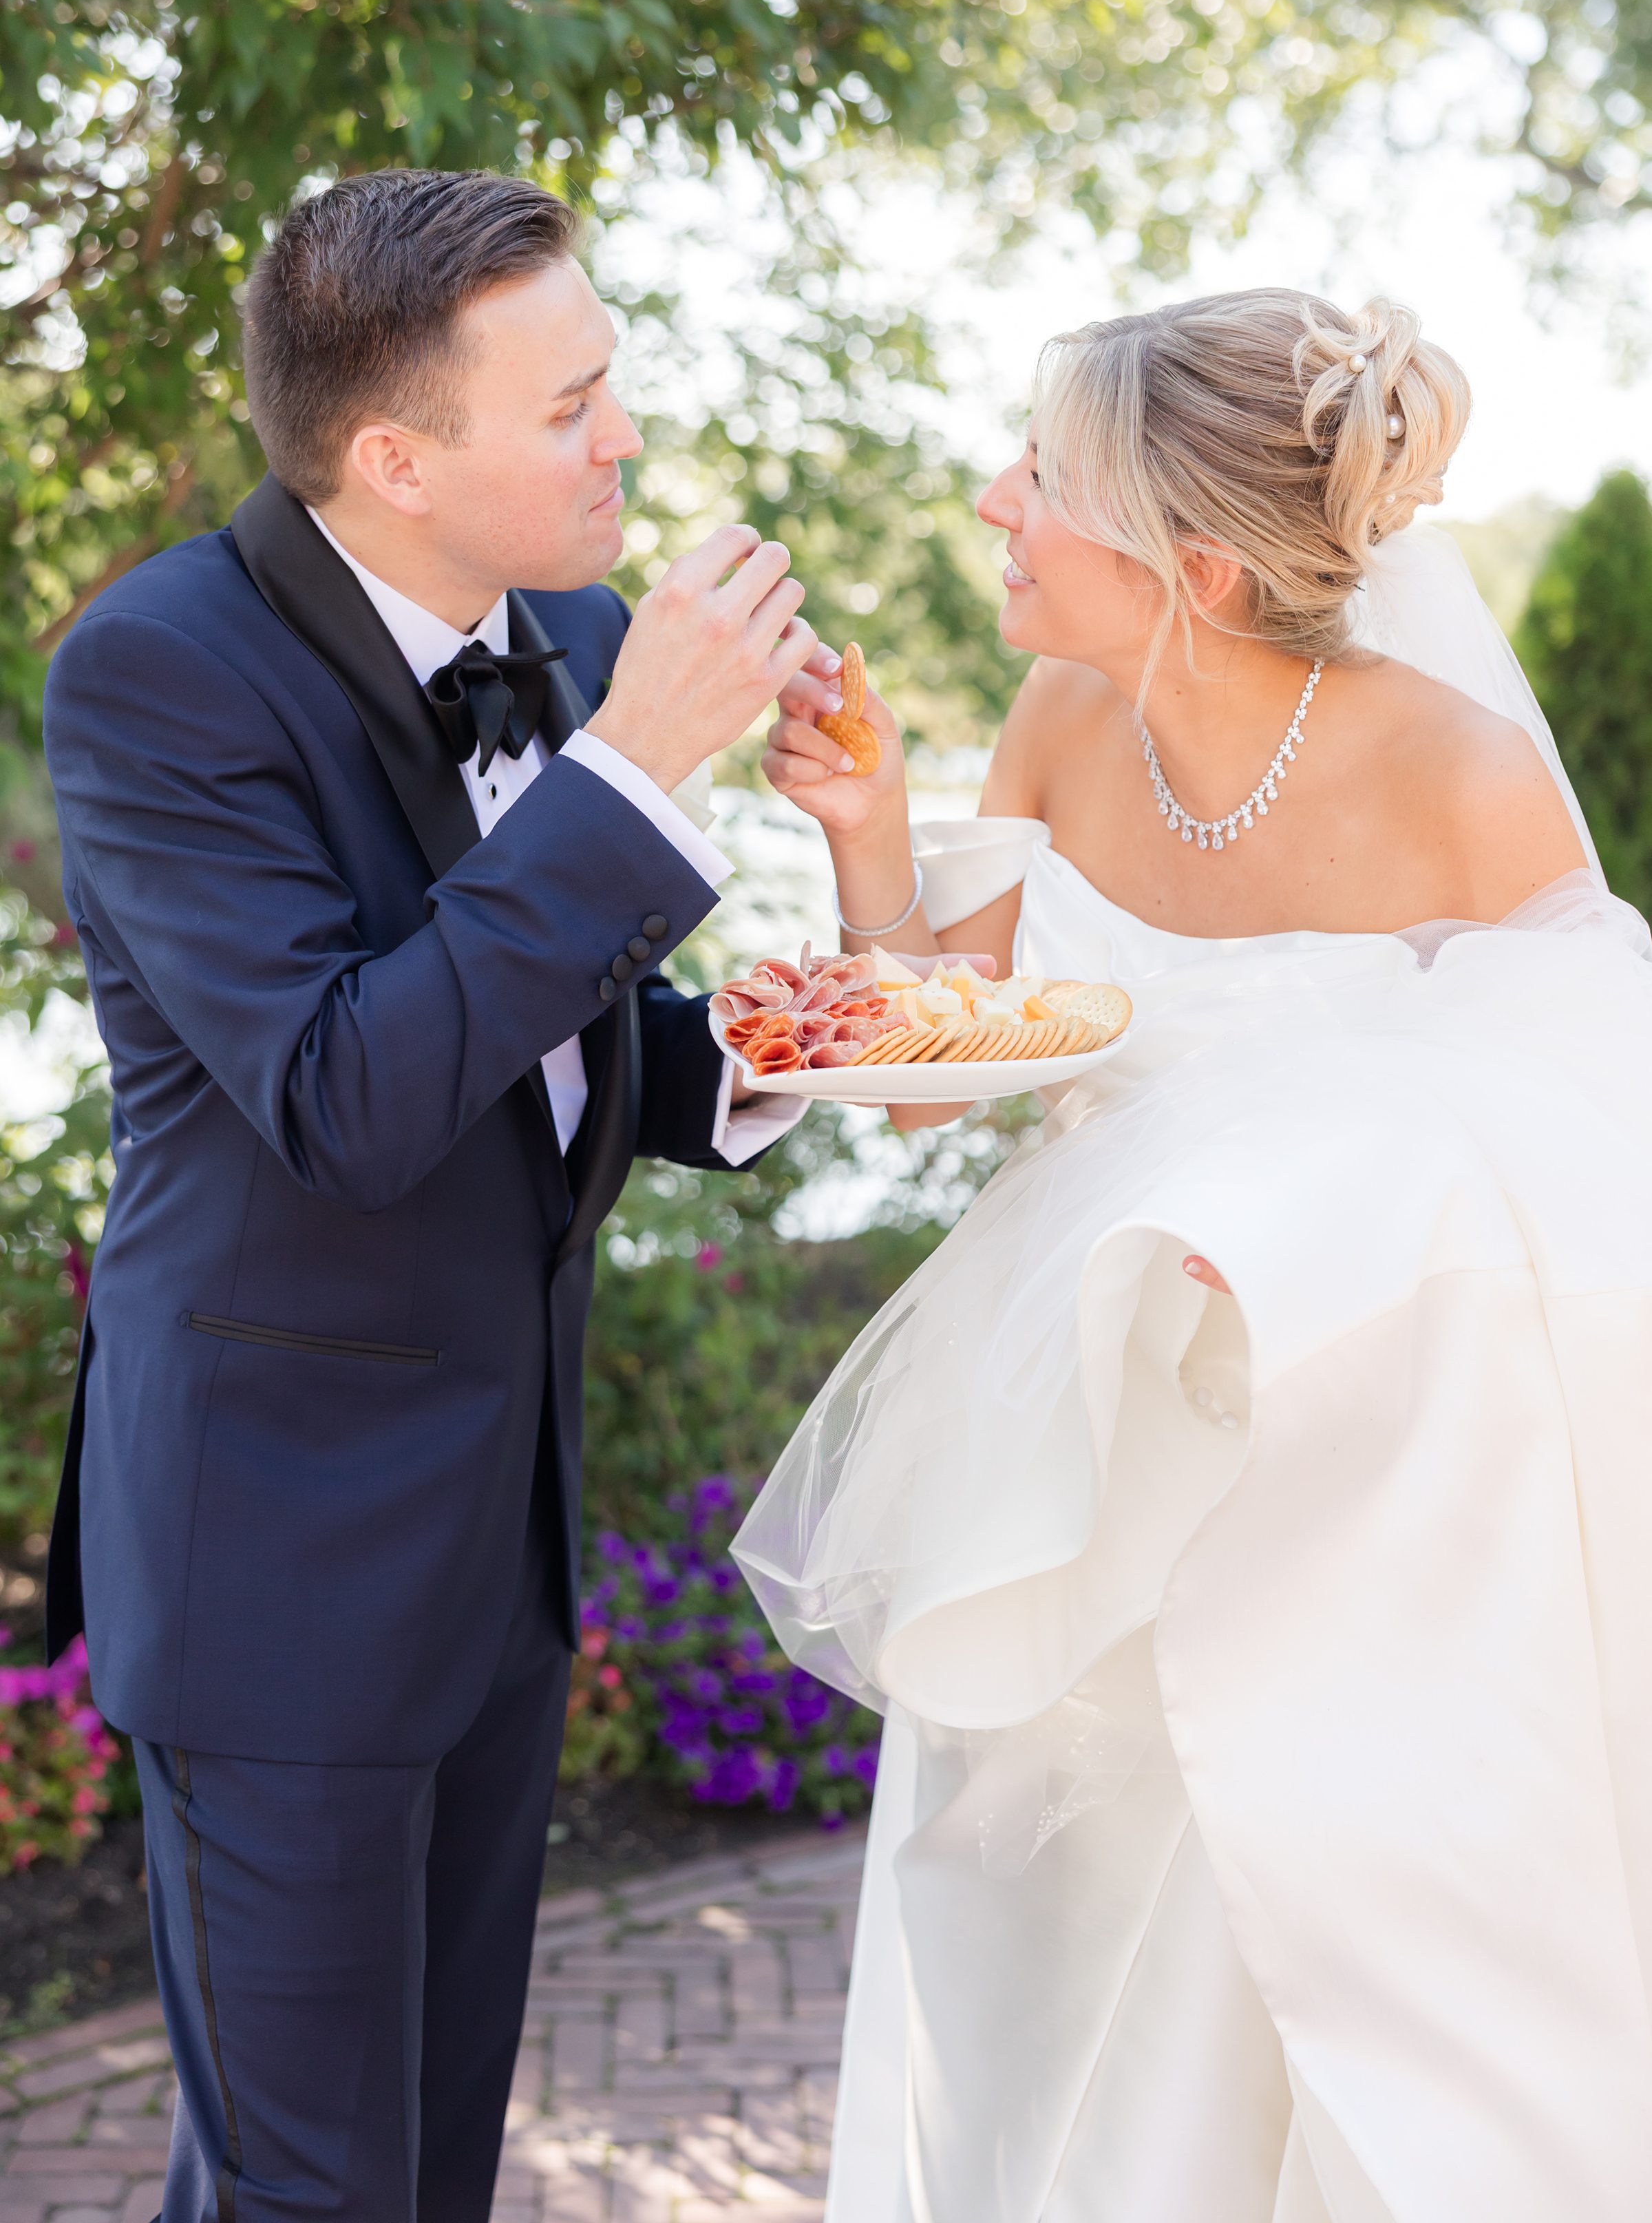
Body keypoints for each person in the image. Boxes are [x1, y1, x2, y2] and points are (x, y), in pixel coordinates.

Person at [739, 289, 1652, 2220]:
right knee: (1055, 1941)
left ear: (1202, 571)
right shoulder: (1069, 718)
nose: (995, 499)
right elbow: (929, 1070)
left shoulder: (1460, 780)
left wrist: (1292, 1226)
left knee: (1317, 1943)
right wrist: (867, 827)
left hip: (1361, 1486)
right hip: (1085, 1452)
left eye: (1045, 481)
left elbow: (1589, 1130)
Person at [41, 167, 825, 2223]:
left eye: (612, 385)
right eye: (569, 406)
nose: (624, 436)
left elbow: (549, 1043)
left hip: (492, 1554)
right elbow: (344, 1099)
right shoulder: (157, 675)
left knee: (421, 2172)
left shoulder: (562, 634)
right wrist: (639, 781)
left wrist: (798, 1052)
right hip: (275, 1571)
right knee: (314, 2192)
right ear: (396, 457)